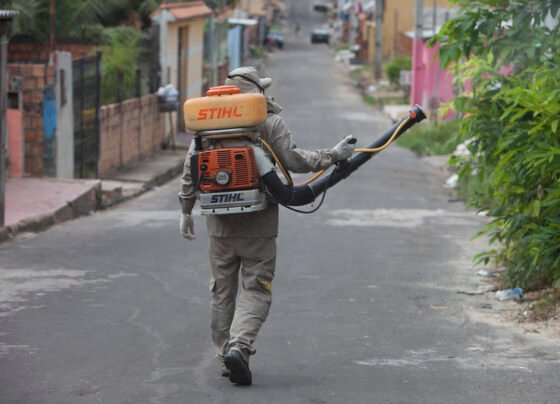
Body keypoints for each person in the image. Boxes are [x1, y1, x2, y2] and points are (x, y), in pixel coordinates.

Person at [179, 66, 355, 386]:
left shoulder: (207, 124)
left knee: (222, 290)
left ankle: (224, 353)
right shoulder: (267, 121)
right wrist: (333, 155)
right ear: (258, 90)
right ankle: (239, 347)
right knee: (256, 288)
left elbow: (192, 168)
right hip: (258, 223)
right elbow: (295, 160)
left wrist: (185, 210)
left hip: (219, 224)